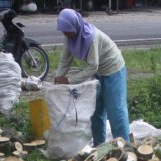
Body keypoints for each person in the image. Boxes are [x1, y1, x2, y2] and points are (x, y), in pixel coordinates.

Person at [53, 8, 130, 146]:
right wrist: (58, 77)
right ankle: (99, 146)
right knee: (96, 112)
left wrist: (68, 80)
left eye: (67, 30)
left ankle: (125, 147)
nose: (65, 33)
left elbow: (92, 66)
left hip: (113, 69)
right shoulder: (69, 37)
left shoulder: (91, 37)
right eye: (63, 31)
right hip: (97, 73)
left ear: (74, 26)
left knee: (116, 111)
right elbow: (65, 60)